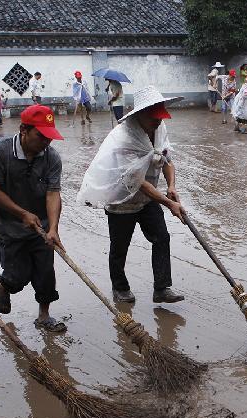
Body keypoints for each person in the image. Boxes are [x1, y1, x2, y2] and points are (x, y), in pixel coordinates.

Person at [77, 86, 187, 304]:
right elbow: (136, 181)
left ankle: (162, 288)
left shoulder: (159, 127)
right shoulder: (124, 137)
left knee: (162, 237)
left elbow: (167, 159)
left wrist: (171, 186)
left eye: (160, 118)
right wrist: (167, 203)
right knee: (120, 247)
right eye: (154, 118)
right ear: (141, 115)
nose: (158, 122)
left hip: (148, 198)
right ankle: (120, 288)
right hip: (122, 199)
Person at [0, 105, 67, 332]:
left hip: (41, 226)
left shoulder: (51, 157)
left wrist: (53, 228)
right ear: (24, 130)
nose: (46, 142)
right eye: (41, 136)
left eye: (50, 138)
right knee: (18, 276)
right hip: (7, 227)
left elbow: (53, 192)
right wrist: (22, 214)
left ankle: (44, 316)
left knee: (46, 272)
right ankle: (3, 284)